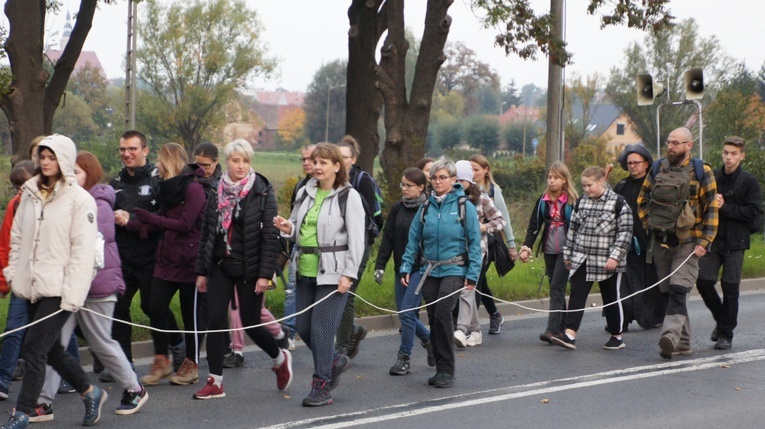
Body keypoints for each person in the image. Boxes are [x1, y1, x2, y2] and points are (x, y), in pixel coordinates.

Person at [33, 151, 149, 422]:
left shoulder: (97, 204)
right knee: (55, 343)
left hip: (97, 286)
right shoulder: (67, 200)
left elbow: (92, 249)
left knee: (101, 342)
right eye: (68, 170)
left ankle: (135, 388)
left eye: (78, 171)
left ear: (91, 174)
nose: (71, 176)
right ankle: (44, 402)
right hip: (68, 287)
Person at [1, 135, 105, 428]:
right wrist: (13, 273)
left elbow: (83, 252)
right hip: (31, 285)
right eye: (42, 157)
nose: (46, 162)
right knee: (51, 349)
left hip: (62, 289)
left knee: (33, 347)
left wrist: (73, 293)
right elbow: (17, 238)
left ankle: (22, 411)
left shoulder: (79, 199)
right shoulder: (30, 193)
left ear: (64, 160)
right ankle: (90, 391)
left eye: (52, 157)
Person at [195, 139, 293, 400]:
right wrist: (202, 271)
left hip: (249, 266)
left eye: (245, 161)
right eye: (236, 160)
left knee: (250, 322)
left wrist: (265, 273)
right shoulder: (216, 188)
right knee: (216, 321)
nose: (240, 166)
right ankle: (215, 382)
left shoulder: (261, 190)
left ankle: (279, 358)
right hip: (219, 265)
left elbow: (270, 236)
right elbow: (207, 232)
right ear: (227, 162)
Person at [273, 142, 365, 407]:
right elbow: (297, 228)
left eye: (324, 162)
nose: (317, 166)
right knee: (303, 327)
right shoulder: (305, 191)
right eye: (315, 161)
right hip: (304, 269)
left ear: (337, 166)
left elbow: (357, 240)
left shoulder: (349, 196)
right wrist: (286, 227)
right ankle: (334, 361)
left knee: (322, 330)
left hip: (334, 272)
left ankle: (322, 384)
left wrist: (349, 274)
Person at [108, 130, 184, 382]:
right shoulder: (115, 182)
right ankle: (123, 365)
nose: (126, 154)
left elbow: (166, 217)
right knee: (119, 308)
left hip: (153, 256)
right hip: (123, 258)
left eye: (132, 149)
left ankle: (175, 343)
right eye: (122, 149)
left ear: (145, 150)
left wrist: (131, 220)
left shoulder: (157, 179)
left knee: (153, 307)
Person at [399, 158, 482, 389]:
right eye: (434, 178)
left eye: (442, 177)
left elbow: (475, 243)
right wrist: (406, 266)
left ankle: (447, 369)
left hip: (454, 268)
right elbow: (413, 239)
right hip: (429, 269)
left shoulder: (465, 207)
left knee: (443, 313)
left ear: (453, 180)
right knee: (434, 315)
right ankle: (439, 364)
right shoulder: (425, 208)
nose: (437, 181)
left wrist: (473, 274)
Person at [638, 127, 718, 359]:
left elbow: (712, 207)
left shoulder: (703, 172)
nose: (670, 147)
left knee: (678, 288)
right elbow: (642, 200)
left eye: (676, 143)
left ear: (688, 145)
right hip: (662, 241)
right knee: (669, 292)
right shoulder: (657, 168)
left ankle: (670, 337)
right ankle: (683, 344)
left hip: (690, 242)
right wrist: (649, 225)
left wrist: (706, 240)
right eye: (668, 142)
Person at [132, 143, 208, 387]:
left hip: (190, 259)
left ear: (169, 161)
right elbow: (161, 221)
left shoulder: (193, 188)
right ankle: (162, 358)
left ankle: (191, 364)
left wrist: (152, 219)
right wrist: (133, 223)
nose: (158, 164)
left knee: (190, 315)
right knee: (154, 305)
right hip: (167, 257)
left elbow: (185, 224)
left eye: (160, 159)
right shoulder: (164, 187)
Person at [549, 166, 633, 350]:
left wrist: (615, 257)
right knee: (577, 294)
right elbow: (573, 231)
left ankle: (616, 335)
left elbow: (625, 233)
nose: (586, 189)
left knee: (610, 297)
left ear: (601, 181)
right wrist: (569, 255)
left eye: (590, 185)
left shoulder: (618, 204)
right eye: (584, 186)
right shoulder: (581, 202)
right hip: (582, 258)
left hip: (607, 261)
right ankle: (570, 334)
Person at [696, 136, 762, 350]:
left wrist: (725, 207)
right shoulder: (713, 176)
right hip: (713, 239)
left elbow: (754, 212)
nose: (729, 157)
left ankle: (726, 334)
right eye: (726, 153)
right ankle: (723, 319)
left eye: (734, 153)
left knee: (730, 286)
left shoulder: (749, 181)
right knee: (704, 281)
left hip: (736, 241)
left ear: (742, 155)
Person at [374, 167, 435, 375]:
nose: (404, 189)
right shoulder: (397, 209)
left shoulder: (429, 209)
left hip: (421, 268)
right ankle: (428, 341)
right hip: (402, 268)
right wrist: (380, 265)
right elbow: (388, 239)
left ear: (421, 187)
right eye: (402, 184)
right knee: (404, 313)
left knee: (407, 311)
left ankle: (404, 357)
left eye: (409, 186)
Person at [335, 136, 383, 360]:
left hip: (359, 244)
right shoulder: (328, 179)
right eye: (337, 157)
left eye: (344, 157)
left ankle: (341, 348)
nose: (340, 161)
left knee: (347, 295)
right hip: (334, 247)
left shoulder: (362, 181)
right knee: (333, 294)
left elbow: (372, 216)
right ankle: (353, 330)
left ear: (353, 159)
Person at [518, 162, 578, 342]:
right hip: (550, 250)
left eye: (556, 177)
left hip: (567, 251)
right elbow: (533, 227)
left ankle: (551, 330)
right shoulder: (542, 200)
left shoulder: (573, 202)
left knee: (556, 287)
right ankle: (564, 328)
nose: (552, 181)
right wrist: (526, 247)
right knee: (556, 287)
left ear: (565, 180)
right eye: (550, 177)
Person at [453, 160, 505, 348]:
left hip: (478, 253)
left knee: (470, 291)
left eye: (461, 179)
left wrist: (484, 227)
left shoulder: (480, 198)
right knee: (461, 291)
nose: (457, 183)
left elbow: (500, 220)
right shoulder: (449, 198)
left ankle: (467, 330)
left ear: (468, 180)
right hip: (455, 253)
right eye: (454, 178)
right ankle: (470, 328)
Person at [613, 144, 662, 331]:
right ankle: (621, 320)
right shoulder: (622, 186)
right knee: (623, 283)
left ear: (646, 163)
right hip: (625, 244)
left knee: (649, 282)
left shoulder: (654, 186)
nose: (633, 166)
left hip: (649, 243)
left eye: (637, 162)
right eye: (629, 163)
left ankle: (650, 317)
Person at [469, 154, 518, 334]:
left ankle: (469, 326)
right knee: (481, 281)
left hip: (488, 242)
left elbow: (504, 218)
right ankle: (495, 314)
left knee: (476, 281)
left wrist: (511, 245)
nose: (473, 173)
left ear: (485, 170)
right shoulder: (463, 188)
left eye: (477, 169)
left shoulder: (492, 191)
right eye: (471, 169)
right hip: (468, 244)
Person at [0, 161, 35, 401]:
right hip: (22, 279)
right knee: (14, 328)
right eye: (16, 188)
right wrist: (4, 281)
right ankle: (2, 379)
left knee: (59, 335)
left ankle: (68, 377)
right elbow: (5, 246)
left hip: (47, 280)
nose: (20, 191)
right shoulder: (15, 205)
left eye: (24, 185)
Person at [281, 143, 317, 352]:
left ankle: (323, 333)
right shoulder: (300, 187)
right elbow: (293, 221)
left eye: (310, 158)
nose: (306, 163)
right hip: (298, 249)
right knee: (292, 291)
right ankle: (289, 333)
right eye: (303, 159)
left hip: (323, 253)